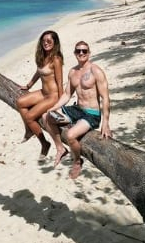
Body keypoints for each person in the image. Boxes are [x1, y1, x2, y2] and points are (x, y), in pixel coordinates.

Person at [44, 40, 112, 179]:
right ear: (75, 53)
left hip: (91, 115)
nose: (81, 53)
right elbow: (67, 94)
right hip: (77, 109)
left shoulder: (96, 71)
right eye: (78, 51)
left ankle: (76, 161)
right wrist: (54, 107)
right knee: (46, 117)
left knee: (70, 135)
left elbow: (105, 98)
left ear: (89, 53)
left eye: (84, 51)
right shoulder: (73, 72)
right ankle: (60, 148)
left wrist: (105, 123)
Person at [17, 30, 64, 158]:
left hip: (52, 96)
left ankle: (44, 143)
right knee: (20, 102)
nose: (46, 43)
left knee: (29, 117)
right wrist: (28, 86)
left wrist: (60, 104)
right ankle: (29, 131)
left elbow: (60, 83)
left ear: (55, 42)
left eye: (49, 41)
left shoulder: (56, 59)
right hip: (43, 93)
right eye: (44, 41)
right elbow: (39, 73)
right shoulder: (42, 56)